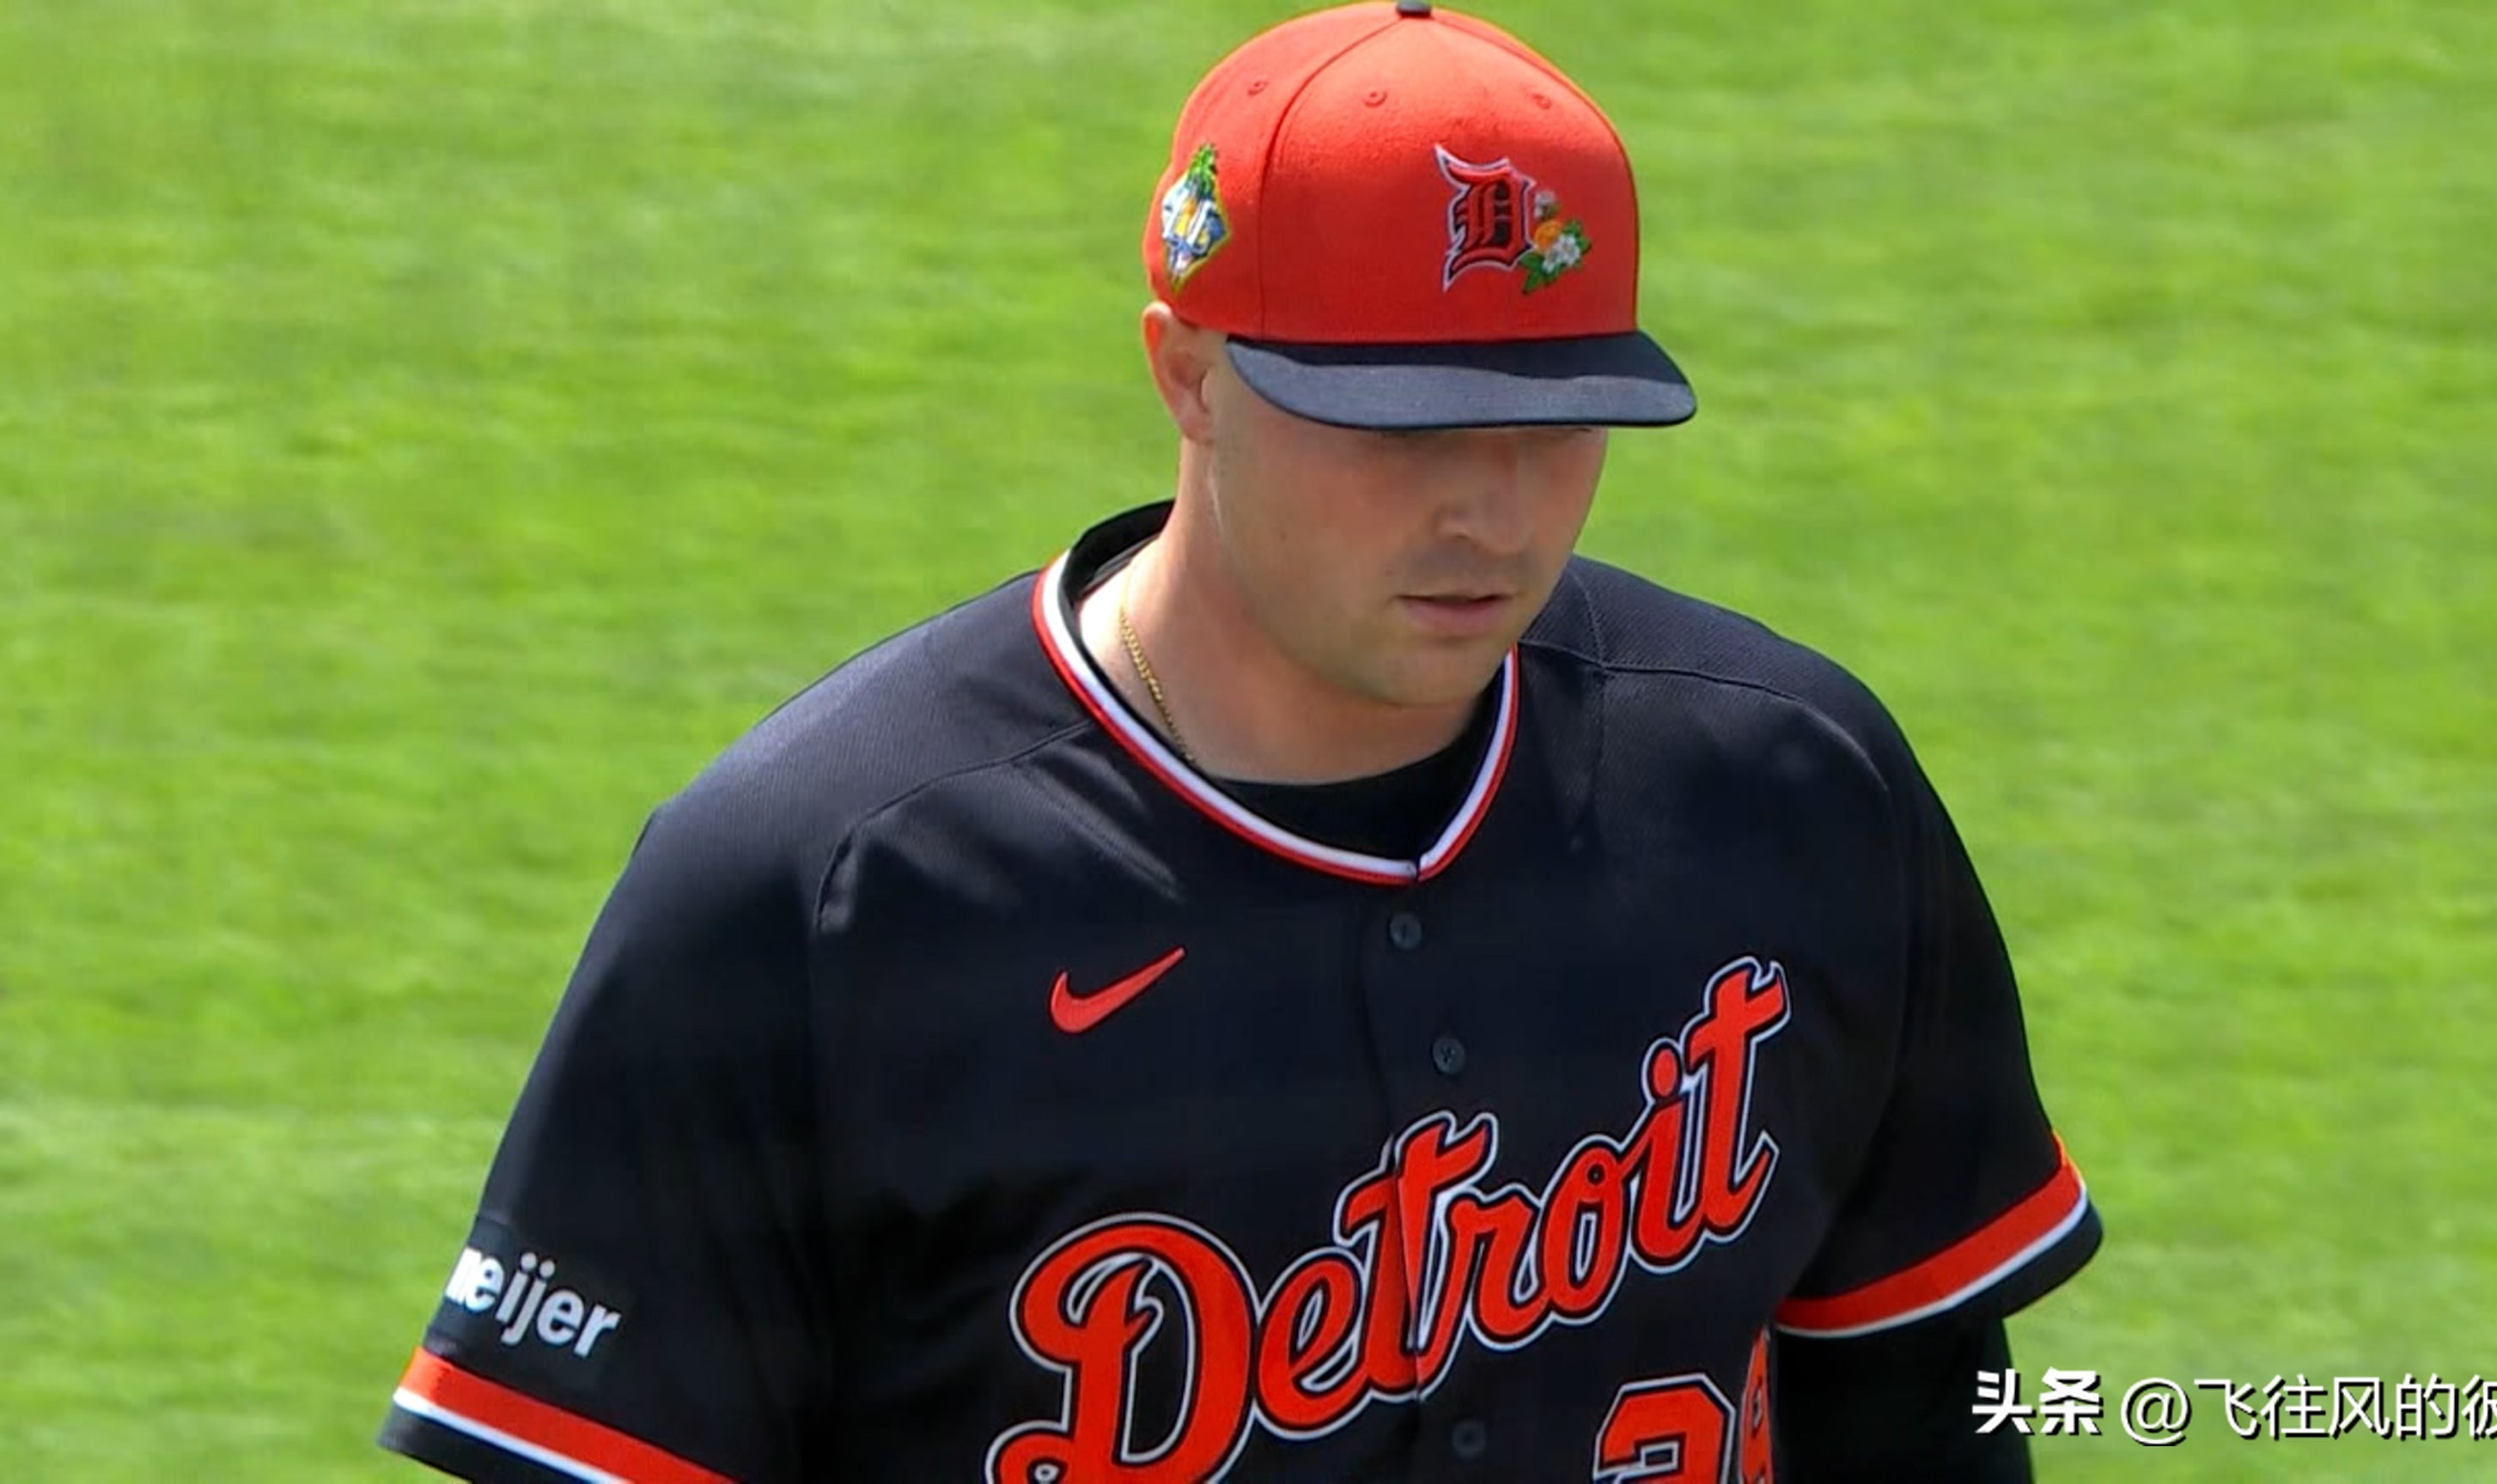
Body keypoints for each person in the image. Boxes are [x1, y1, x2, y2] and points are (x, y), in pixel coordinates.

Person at [378, 3, 2099, 1480]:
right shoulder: (813, 894)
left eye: (1553, 418)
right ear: (1189, 375)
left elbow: (1923, 1406)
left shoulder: (1793, 791)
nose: (1489, 514)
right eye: (1398, 429)